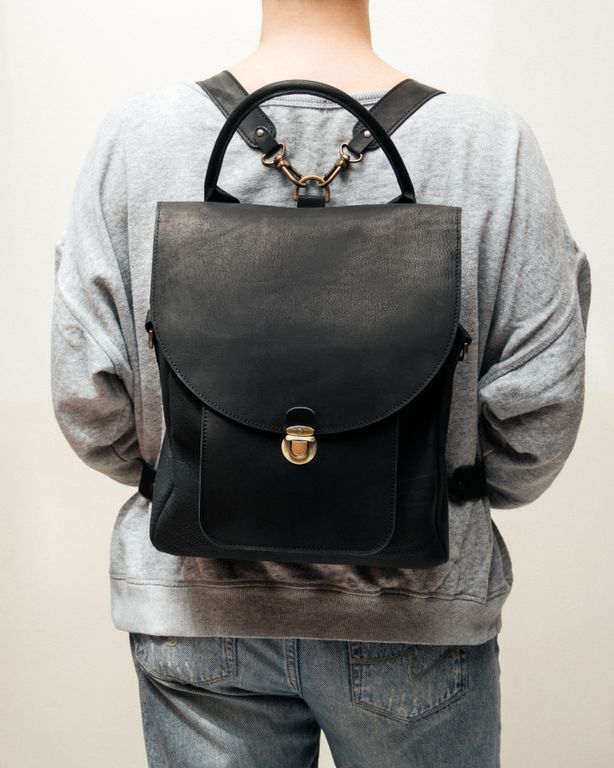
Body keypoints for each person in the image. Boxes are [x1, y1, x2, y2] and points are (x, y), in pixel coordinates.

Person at [50, 1, 591, 766]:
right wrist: (440, 491)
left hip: (197, 613)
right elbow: (540, 409)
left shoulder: (138, 139)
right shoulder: (489, 144)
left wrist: (191, 475)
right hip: (418, 611)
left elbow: (86, 395)